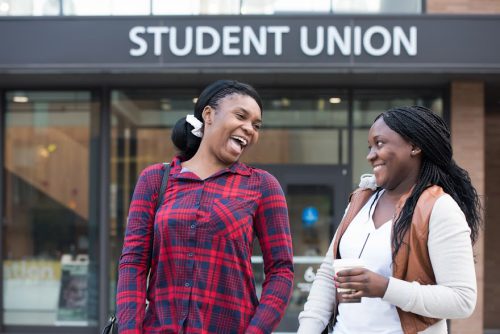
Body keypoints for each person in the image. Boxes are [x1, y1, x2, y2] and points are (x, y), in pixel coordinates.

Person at [116, 80, 294, 333]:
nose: (249, 129)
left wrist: (256, 331)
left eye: (256, 125)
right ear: (208, 115)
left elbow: (281, 271)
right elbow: (133, 262)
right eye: (241, 116)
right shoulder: (155, 179)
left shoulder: (262, 186)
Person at [297, 105, 481, 334]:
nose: (370, 155)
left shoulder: (439, 208)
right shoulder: (361, 201)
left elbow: (461, 300)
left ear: (414, 146)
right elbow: (327, 274)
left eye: (380, 143)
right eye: (369, 146)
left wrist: (385, 287)